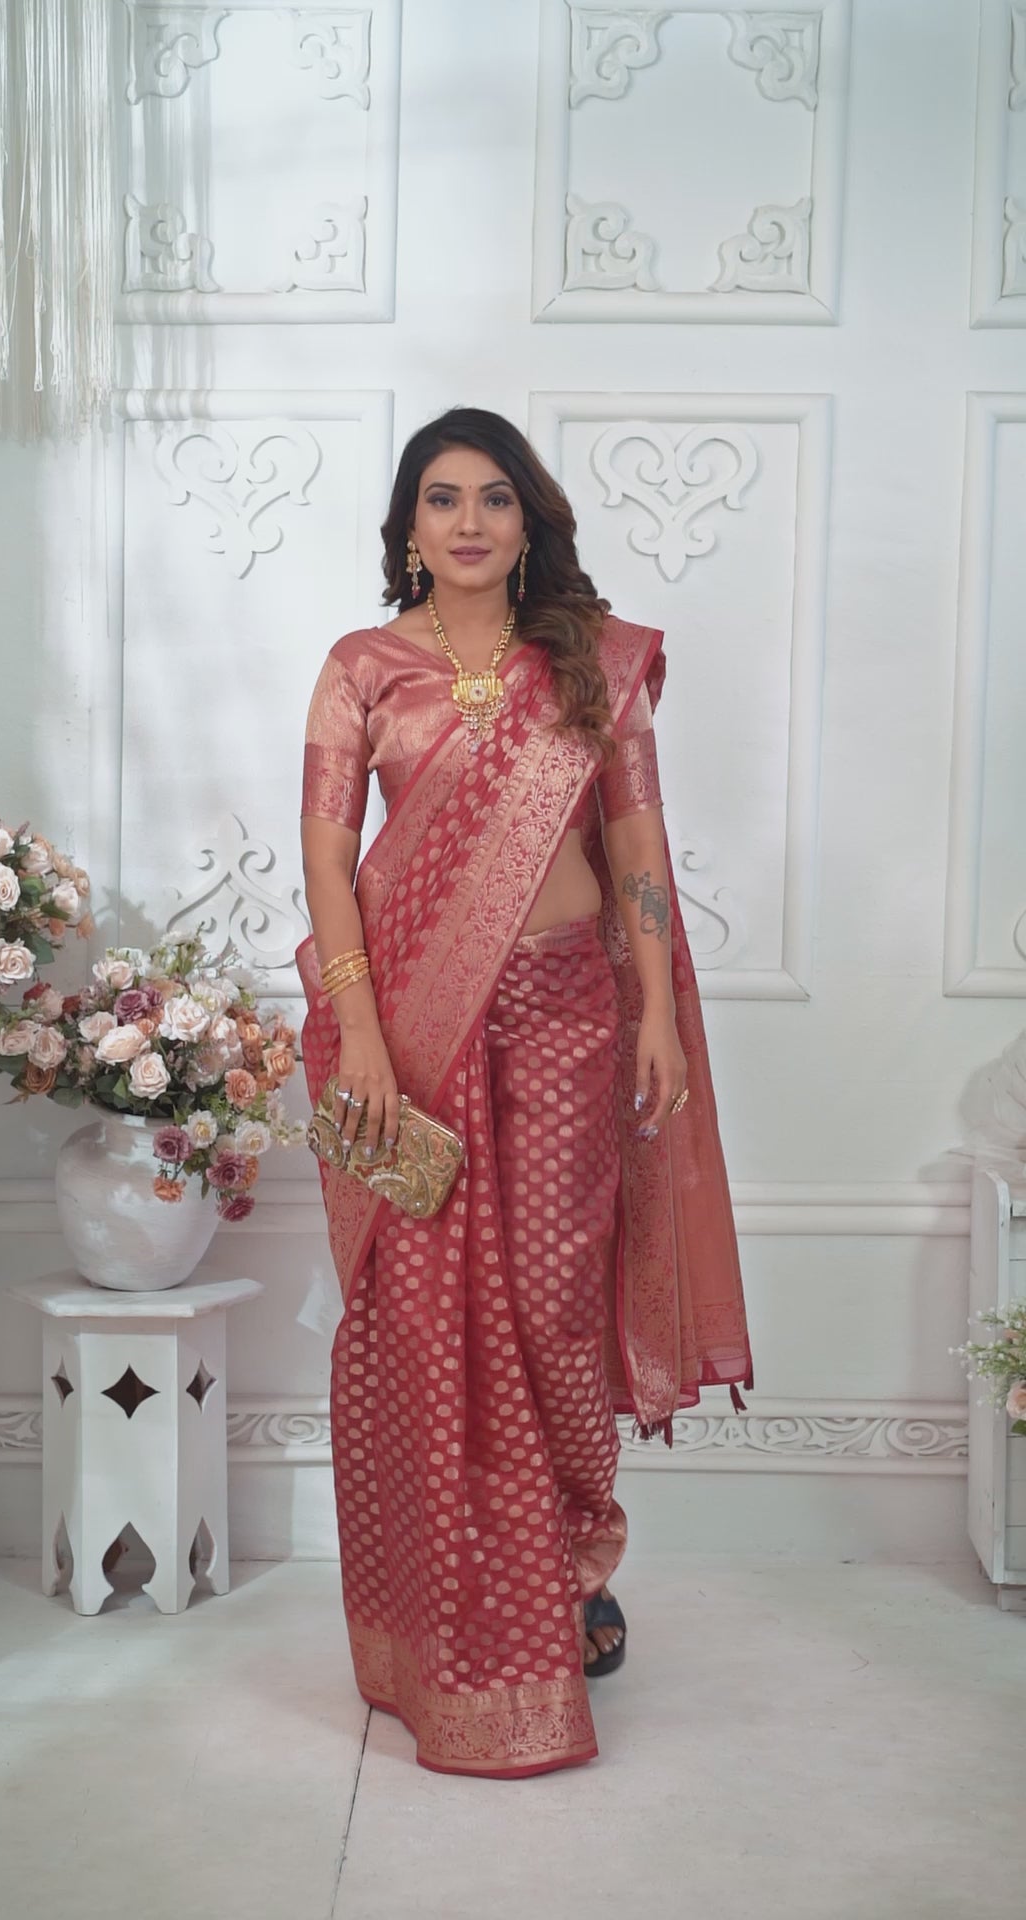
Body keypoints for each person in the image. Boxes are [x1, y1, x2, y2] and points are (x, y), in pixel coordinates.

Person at [297, 407, 753, 1778]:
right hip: (411, 1035)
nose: (472, 522)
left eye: (496, 498)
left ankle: (571, 1564)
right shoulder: (361, 669)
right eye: (443, 500)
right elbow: (327, 861)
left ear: (530, 519)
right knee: (422, 1315)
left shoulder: (594, 666)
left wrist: (658, 1010)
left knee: (554, 1303)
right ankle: (440, 1605)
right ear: (410, 527)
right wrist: (366, 1039)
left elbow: (637, 848)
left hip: (568, 1013)